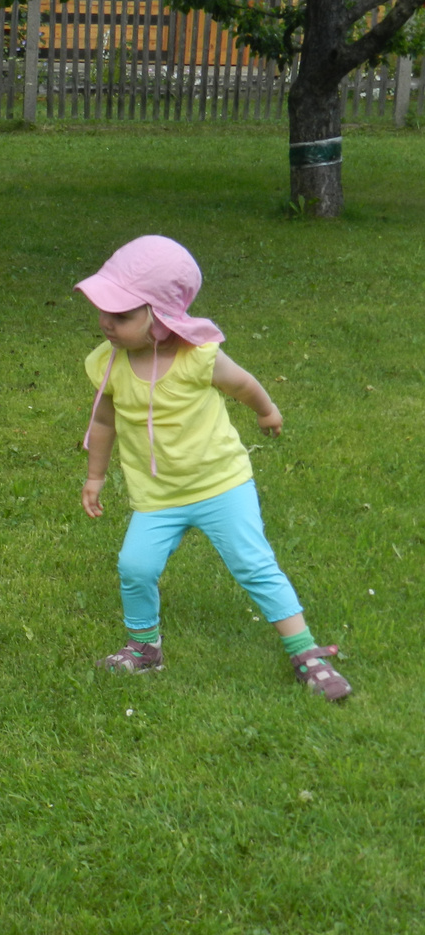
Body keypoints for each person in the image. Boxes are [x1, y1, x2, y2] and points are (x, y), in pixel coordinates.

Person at [76, 235, 350, 701]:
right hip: (158, 495)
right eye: (103, 310)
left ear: (160, 317)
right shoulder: (107, 363)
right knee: (134, 566)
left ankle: (306, 652)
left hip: (221, 484)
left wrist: (266, 411)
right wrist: (96, 476)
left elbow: (242, 384)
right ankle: (145, 649)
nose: (106, 322)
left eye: (121, 315)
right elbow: (102, 422)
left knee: (253, 564)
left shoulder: (196, 357)